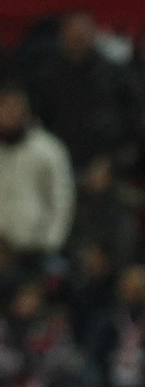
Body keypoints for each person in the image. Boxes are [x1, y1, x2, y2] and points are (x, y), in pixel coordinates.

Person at [0, 85, 75, 259]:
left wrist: (51, 242)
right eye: (5, 107)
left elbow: (62, 198)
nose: (10, 114)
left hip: (33, 247)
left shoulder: (48, 150)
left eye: (16, 107)